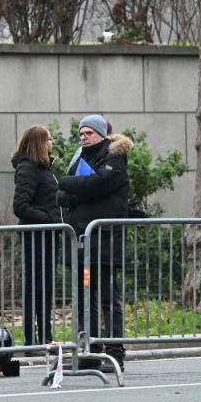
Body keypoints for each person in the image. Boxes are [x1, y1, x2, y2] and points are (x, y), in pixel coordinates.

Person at [56, 115, 132, 373]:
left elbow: (96, 184)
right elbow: (61, 196)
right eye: (81, 133)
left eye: (89, 133)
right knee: (84, 299)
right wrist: (75, 191)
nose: (83, 137)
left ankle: (115, 352)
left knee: (109, 299)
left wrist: (69, 186)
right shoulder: (80, 158)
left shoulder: (114, 159)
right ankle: (90, 350)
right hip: (81, 242)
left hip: (105, 242)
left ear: (102, 135)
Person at [12, 126, 63, 354]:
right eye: (50, 139)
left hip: (49, 235)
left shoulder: (45, 168)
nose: (53, 143)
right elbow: (20, 206)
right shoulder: (28, 169)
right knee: (35, 287)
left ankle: (46, 336)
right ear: (41, 143)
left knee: (46, 287)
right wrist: (50, 219)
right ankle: (31, 341)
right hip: (37, 235)